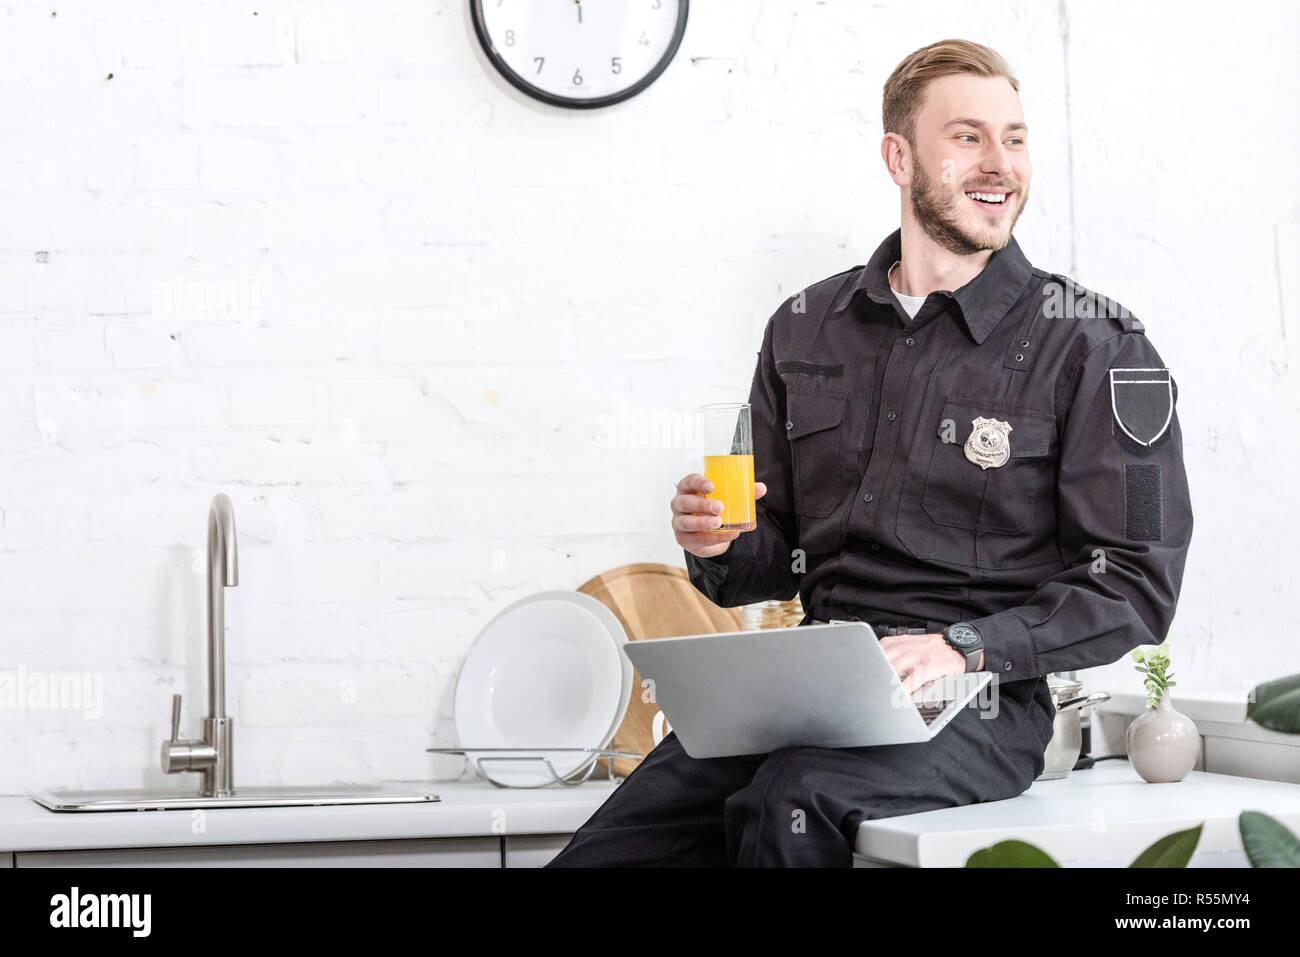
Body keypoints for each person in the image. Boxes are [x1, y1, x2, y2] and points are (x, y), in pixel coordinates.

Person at [546, 38, 1193, 868]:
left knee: (791, 798)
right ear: (899, 156)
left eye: (1016, 138)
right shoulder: (804, 326)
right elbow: (765, 559)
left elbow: (1137, 583)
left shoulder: (1101, 346)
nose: (1000, 164)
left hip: (980, 704)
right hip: (808, 693)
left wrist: (962, 645)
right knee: (606, 848)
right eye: (967, 137)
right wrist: (717, 541)